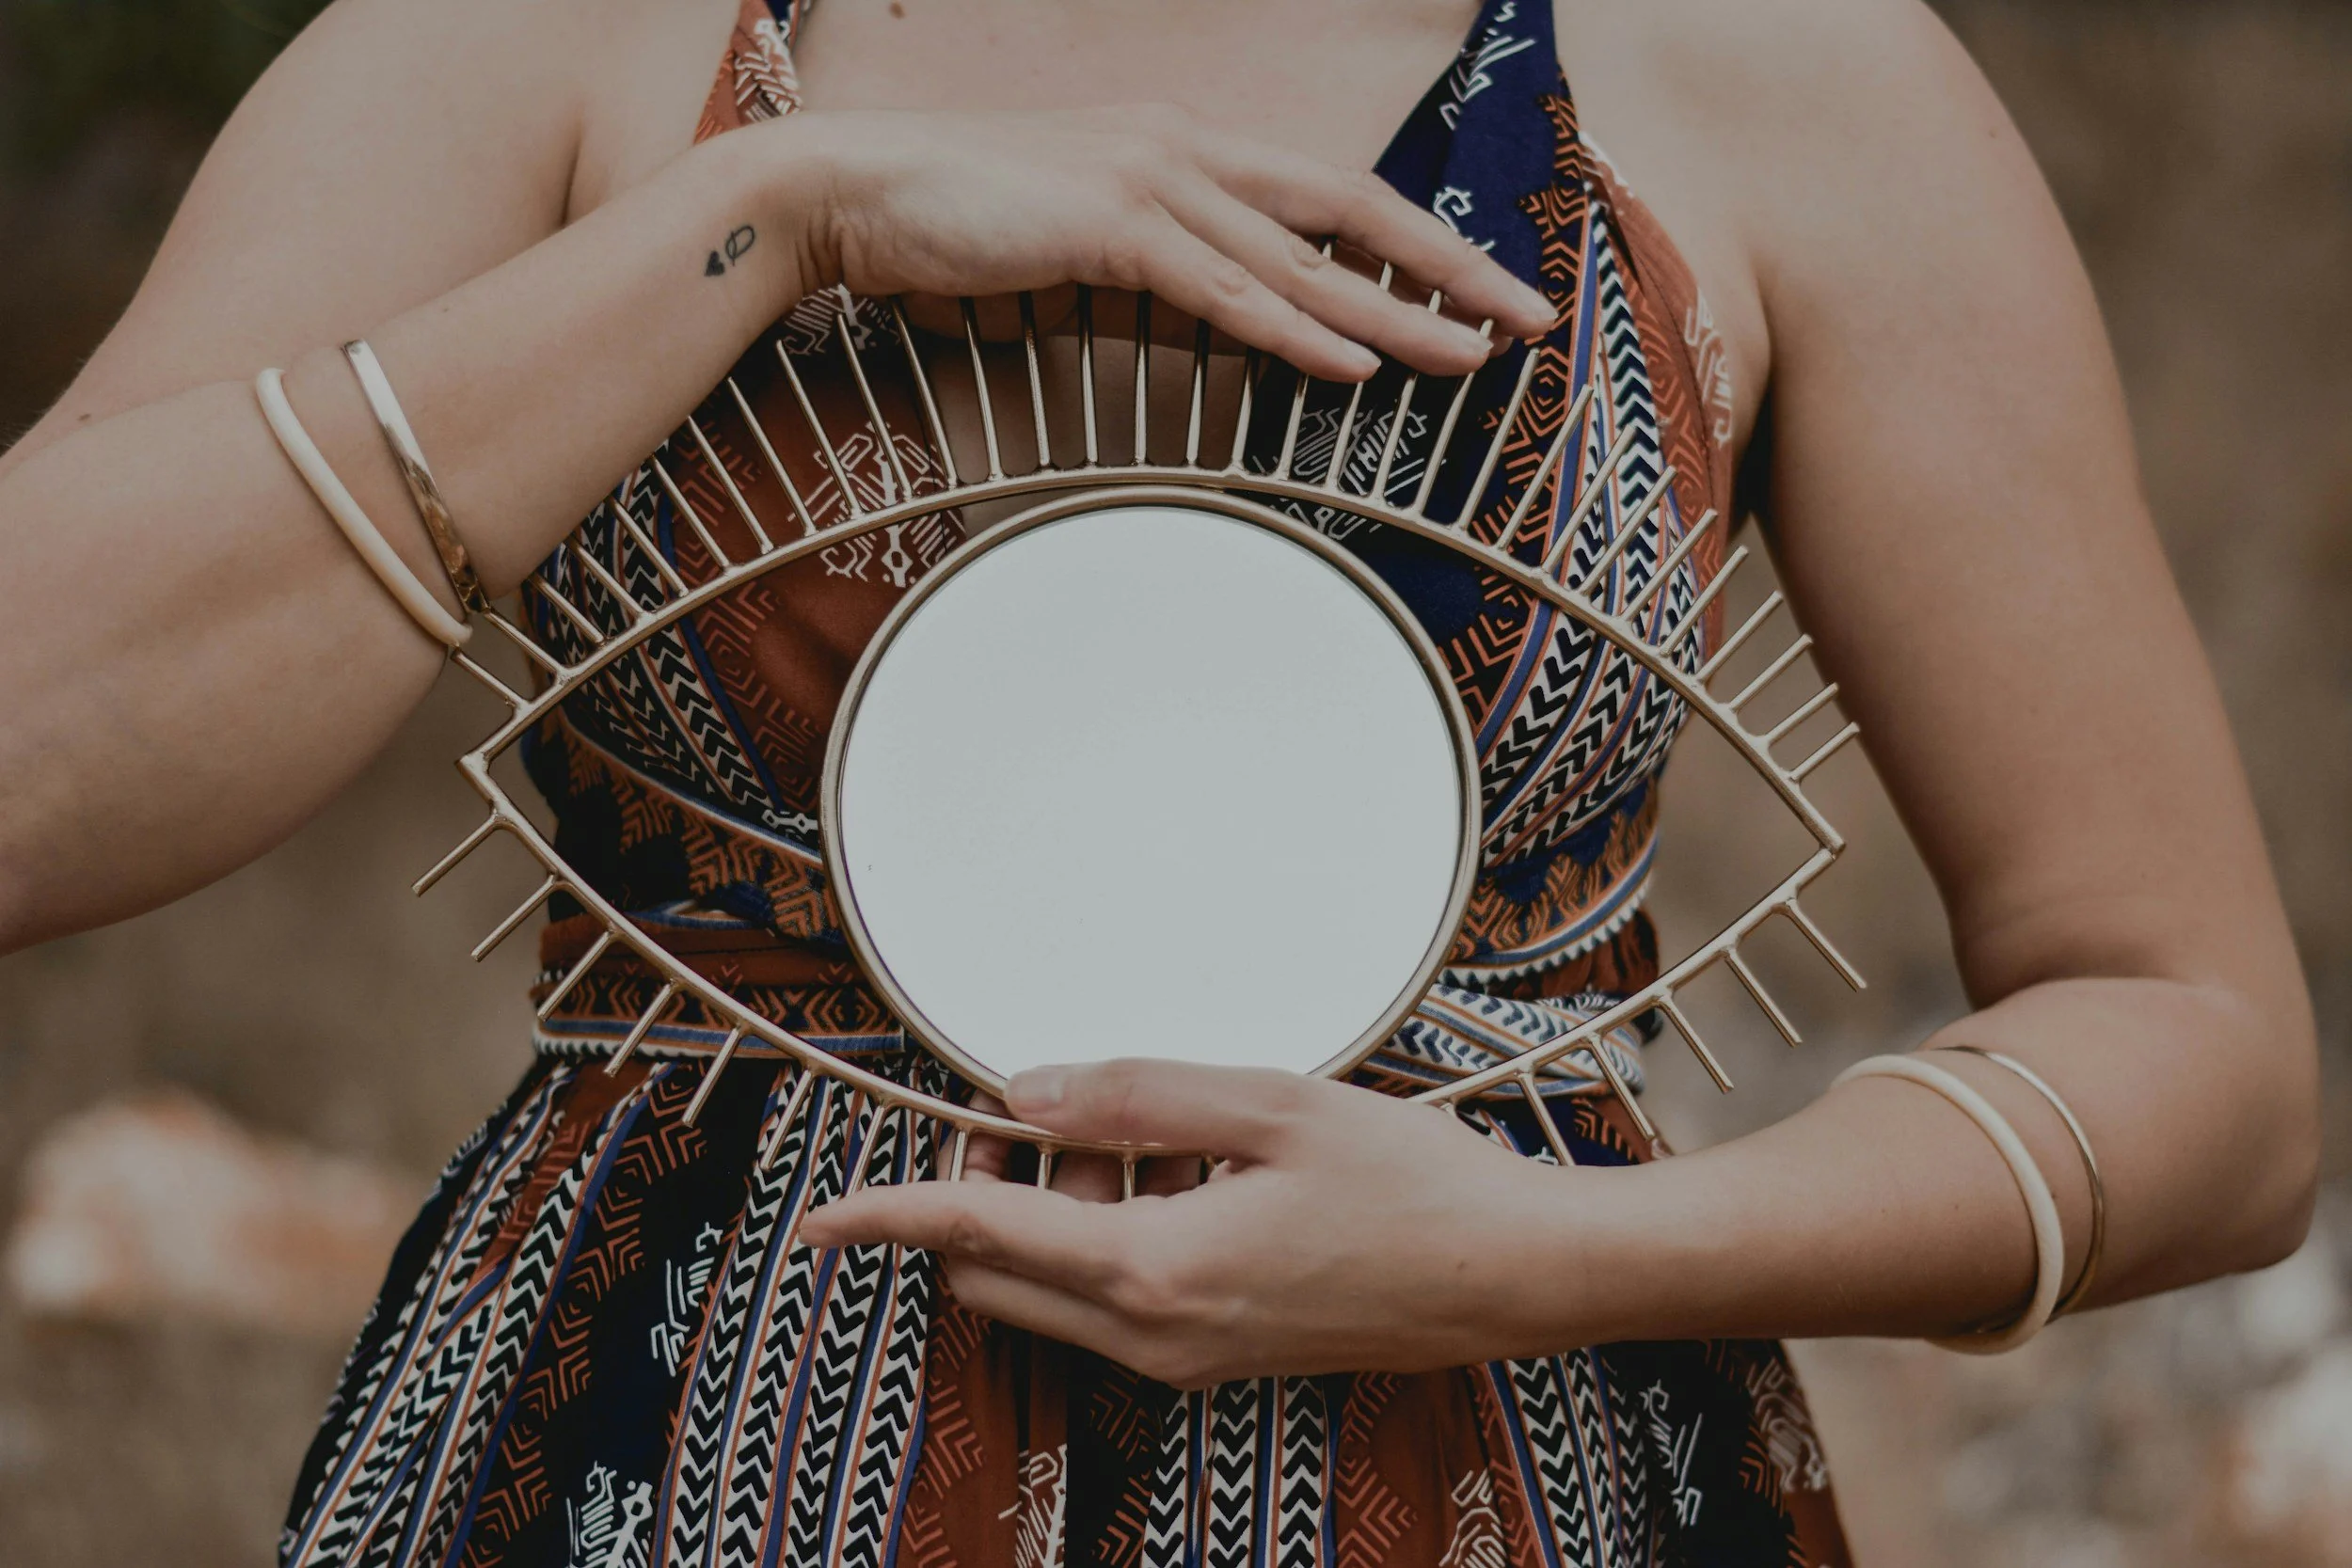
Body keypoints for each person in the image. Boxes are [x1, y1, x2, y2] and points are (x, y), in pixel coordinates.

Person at [0, 0, 2315, 1561]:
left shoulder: (1780, 68)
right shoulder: (547, 42)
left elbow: (2206, 1059)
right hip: (651, 1459)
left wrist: (1565, 1257)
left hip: (1522, 1461)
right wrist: (770, 229)